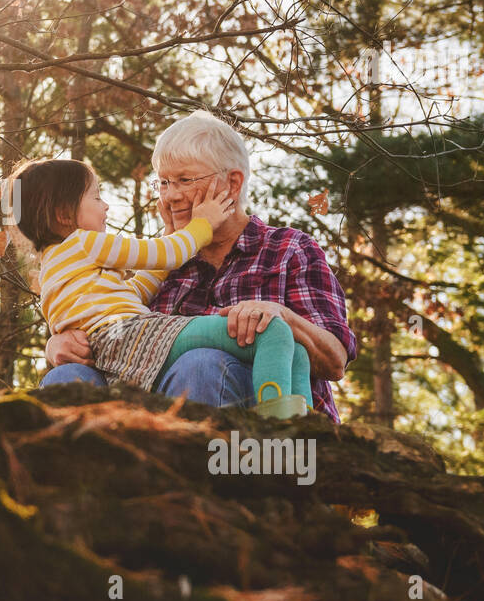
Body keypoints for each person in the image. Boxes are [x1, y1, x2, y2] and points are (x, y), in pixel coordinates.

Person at [39, 110, 357, 422]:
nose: (170, 196)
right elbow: (110, 328)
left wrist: (280, 317)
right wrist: (59, 341)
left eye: (184, 180)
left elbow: (335, 361)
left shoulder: (289, 250)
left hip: (253, 422)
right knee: (65, 379)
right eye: (163, 183)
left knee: (201, 364)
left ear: (232, 184)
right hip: (154, 421)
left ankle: (272, 448)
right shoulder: (163, 261)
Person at [8, 157, 313, 417]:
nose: (107, 206)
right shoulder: (83, 243)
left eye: (184, 180)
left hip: (118, 343)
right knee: (271, 331)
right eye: (97, 197)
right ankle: (277, 431)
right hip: (132, 336)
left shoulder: (53, 267)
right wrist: (201, 225)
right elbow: (169, 253)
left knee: (295, 351)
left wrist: (170, 231)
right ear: (64, 214)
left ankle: (306, 427)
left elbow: (134, 292)